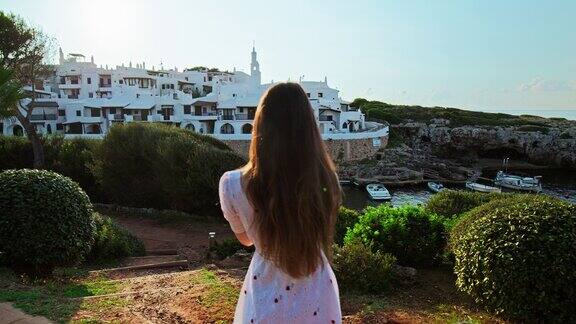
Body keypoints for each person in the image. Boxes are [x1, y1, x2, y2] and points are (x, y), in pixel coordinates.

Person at [219, 82, 342, 323]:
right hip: (316, 291)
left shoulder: (232, 184)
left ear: (261, 123)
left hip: (265, 289)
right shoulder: (327, 179)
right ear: (308, 128)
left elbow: (246, 239)